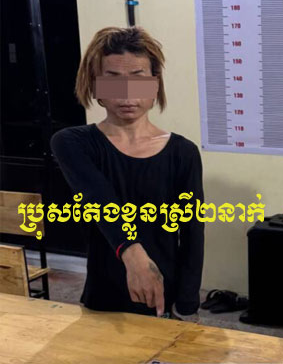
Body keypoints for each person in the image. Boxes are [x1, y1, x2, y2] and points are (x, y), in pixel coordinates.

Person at [51, 26, 205, 320]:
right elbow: (100, 201)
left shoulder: (182, 152)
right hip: (103, 296)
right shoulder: (72, 143)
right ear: (95, 86)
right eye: (113, 80)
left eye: (137, 79)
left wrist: (187, 305)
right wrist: (133, 254)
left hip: (163, 298)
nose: (126, 94)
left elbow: (192, 233)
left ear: (154, 84)